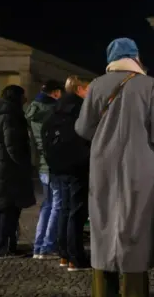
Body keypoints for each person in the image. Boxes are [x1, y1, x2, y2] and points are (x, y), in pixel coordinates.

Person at [75, 37, 154, 297]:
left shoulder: (96, 85)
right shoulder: (150, 86)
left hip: (103, 168)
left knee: (103, 226)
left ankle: (102, 291)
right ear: (135, 57)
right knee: (135, 231)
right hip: (141, 168)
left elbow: (83, 128)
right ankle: (133, 292)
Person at [42, 76, 91, 271]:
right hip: (77, 165)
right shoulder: (80, 109)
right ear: (80, 89)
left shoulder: (56, 108)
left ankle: (63, 255)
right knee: (77, 211)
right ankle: (76, 258)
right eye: (88, 88)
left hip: (57, 165)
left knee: (63, 208)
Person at [0, 85, 36, 258]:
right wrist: (26, 164)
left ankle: (0, 246)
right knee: (8, 210)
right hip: (9, 172)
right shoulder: (10, 117)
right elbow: (13, 147)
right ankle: (4, 248)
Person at [27, 80, 63, 259]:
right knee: (57, 204)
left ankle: (38, 246)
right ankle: (48, 245)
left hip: (41, 164)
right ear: (55, 92)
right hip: (54, 162)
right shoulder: (53, 110)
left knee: (47, 205)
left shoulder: (32, 109)